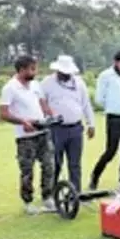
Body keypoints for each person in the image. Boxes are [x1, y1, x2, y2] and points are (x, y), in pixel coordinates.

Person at [0, 54, 57, 215]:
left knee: (49, 165)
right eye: (32, 69)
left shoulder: (35, 85)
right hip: (25, 137)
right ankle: (28, 201)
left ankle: (48, 197)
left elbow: (42, 103)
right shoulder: (10, 88)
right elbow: (3, 113)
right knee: (27, 170)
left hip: (42, 131)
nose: (35, 72)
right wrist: (22, 121)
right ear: (22, 69)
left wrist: (50, 115)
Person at [38, 54, 96, 193]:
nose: (66, 75)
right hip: (56, 128)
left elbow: (86, 104)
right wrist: (46, 114)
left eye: (68, 72)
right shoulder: (47, 83)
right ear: (57, 70)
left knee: (75, 164)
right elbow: (40, 101)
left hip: (76, 128)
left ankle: (75, 193)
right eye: (63, 72)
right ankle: (51, 193)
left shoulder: (79, 83)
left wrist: (91, 124)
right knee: (55, 163)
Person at [89, 50, 120, 191]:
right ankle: (95, 175)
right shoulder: (105, 76)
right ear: (116, 62)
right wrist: (113, 106)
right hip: (114, 118)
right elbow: (99, 98)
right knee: (111, 150)